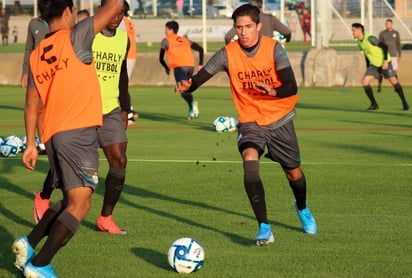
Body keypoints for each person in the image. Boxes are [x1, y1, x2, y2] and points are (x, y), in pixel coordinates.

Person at [176, 4, 317, 246]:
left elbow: (291, 85)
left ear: (259, 26)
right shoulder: (227, 53)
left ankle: (302, 207)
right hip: (250, 120)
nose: (243, 32)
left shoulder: (274, 49)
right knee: (249, 158)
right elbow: (201, 77)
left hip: (280, 119)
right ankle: (264, 227)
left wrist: (273, 90)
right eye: (238, 27)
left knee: (294, 172)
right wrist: (189, 86)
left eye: (248, 27)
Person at [11, 0, 123, 277]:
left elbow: (31, 104)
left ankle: (30, 242)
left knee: (71, 199)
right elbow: (114, 7)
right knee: (81, 204)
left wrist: (29, 144)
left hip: (53, 134)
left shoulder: (37, 53)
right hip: (78, 131)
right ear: (67, 11)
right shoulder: (76, 34)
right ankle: (39, 266)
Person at [32, 0, 131, 235]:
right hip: (80, 109)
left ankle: (106, 217)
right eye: (115, 11)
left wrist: (125, 107)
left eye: (122, 13)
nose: (117, 17)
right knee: (64, 170)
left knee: (119, 160)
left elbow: (122, 73)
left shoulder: (122, 39)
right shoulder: (87, 33)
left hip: (109, 109)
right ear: (103, 11)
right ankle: (44, 195)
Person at [351, 23, 409, 111]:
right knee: (365, 82)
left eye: (353, 30)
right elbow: (366, 55)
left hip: (385, 62)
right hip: (374, 65)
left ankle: (404, 102)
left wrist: (385, 61)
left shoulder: (370, 38)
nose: (352, 32)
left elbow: (385, 47)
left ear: (359, 30)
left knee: (393, 81)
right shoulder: (359, 42)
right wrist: (368, 67)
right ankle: (374, 104)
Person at [159, 20, 204, 119]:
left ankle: (192, 103)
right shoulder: (185, 39)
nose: (165, 31)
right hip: (190, 67)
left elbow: (161, 58)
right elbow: (201, 49)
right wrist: (200, 64)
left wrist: (166, 68)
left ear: (170, 30)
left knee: (182, 90)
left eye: (166, 29)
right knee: (186, 88)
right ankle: (191, 110)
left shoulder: (166, 40)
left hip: (179, 67)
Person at [20, 16, 50, 155]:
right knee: (39, 108)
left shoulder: (57, 20)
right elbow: (28, 49)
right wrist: (25, 72)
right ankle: (43, 144)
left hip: (55, 70)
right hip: (36, 71)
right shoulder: (34, 23)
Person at [224, 0, 291, 45]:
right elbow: (287, 32)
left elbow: (228, 37)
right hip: (267, 52)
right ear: (261, 4)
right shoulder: (271, 19)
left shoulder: (244, 19)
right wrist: (285, 40)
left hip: (249, 55)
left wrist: (231, 47)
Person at [119, 1, 139, 125]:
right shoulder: (129, 21)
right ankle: (130, 110)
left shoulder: (122, 21)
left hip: (126, 55)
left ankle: (129, 113)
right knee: (124, 84)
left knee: (122, 85)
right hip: (132, 54)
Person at [377, 19, 401, 93]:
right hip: (385, 56)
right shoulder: (382, 34)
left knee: (394, 71)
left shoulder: (396, 33)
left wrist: (399, 55)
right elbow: (379, 45)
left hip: (393, 55)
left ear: (392, 24)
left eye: (389, 24)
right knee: (381, 72)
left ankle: (396, 87)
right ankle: (379, 87)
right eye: (386, 24)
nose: (387, 25)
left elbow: (398, 44)